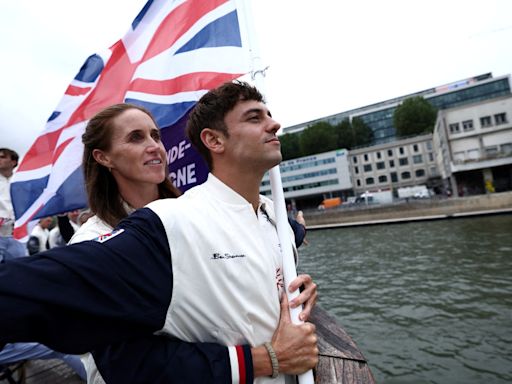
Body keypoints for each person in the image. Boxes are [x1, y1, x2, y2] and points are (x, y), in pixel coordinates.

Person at [0, 83, 318, 383]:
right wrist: (264, 359)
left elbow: (229, 265)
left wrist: (283, 285)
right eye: (136, 138)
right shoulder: (113, 237)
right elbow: (124, 361)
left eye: (156, 135)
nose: (154, 146)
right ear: (103, 157)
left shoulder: (205, 215)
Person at [0, 148, 26, 262]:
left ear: (13, 162)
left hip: (16, 235)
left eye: (2, 157)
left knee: (17, 271)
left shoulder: (22, 182)